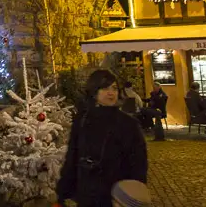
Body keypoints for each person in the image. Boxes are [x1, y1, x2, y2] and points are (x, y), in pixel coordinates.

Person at [56, 69, 148, 207]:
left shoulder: (128, 124)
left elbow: (139, 163)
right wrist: (63, 192)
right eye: (105, 88)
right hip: (87, 194)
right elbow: (72, 156)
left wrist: (133, 195)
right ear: (94, 91)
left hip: (116, 195)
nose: (111, 93)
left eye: (115, 88)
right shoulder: (82, 120)